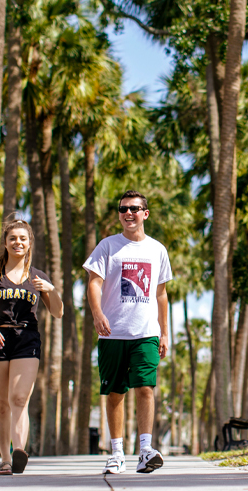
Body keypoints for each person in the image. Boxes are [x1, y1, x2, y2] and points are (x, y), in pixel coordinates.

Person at [84, 190, 172, 474]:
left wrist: (164, 332)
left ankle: (145, 450)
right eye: (123, 209)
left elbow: (161, 295)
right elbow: (94, 283)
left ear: (145, 213)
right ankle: (117, 453)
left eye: (134, 208)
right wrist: (97, 314)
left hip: (145, 333)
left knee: (145, 387)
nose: (128, 213)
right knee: (114, 392)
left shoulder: (157, 250)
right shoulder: (108, 246)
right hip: (112, 333)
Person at [0, 218, 62, 475]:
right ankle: (5, 459)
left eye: (23, 238)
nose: (18, 242)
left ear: (29, 243)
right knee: (1, 403)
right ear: (5, 242)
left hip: (27, 340)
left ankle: (19, 451)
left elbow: (58, 313)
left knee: (19, 398)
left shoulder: (38, 277)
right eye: (13, 238)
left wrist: (52, 290)